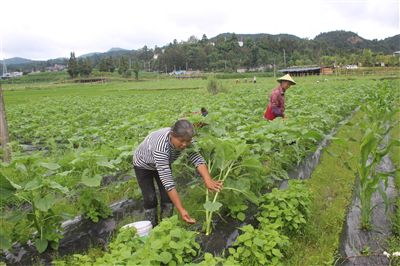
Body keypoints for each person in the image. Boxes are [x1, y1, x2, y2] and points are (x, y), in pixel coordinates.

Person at [133, 119, 223, 226]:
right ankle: (151, 225)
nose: (185, 144)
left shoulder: (187, 139)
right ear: (172, 135)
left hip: (163, 163)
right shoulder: (161, 147)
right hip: (143, 165)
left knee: (167, 198)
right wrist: (182, 210)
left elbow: (197, 158)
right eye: (181, 141)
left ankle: (165, 226)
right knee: (150, 198)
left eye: (188, 141)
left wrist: (208, 180)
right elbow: (168, 183)